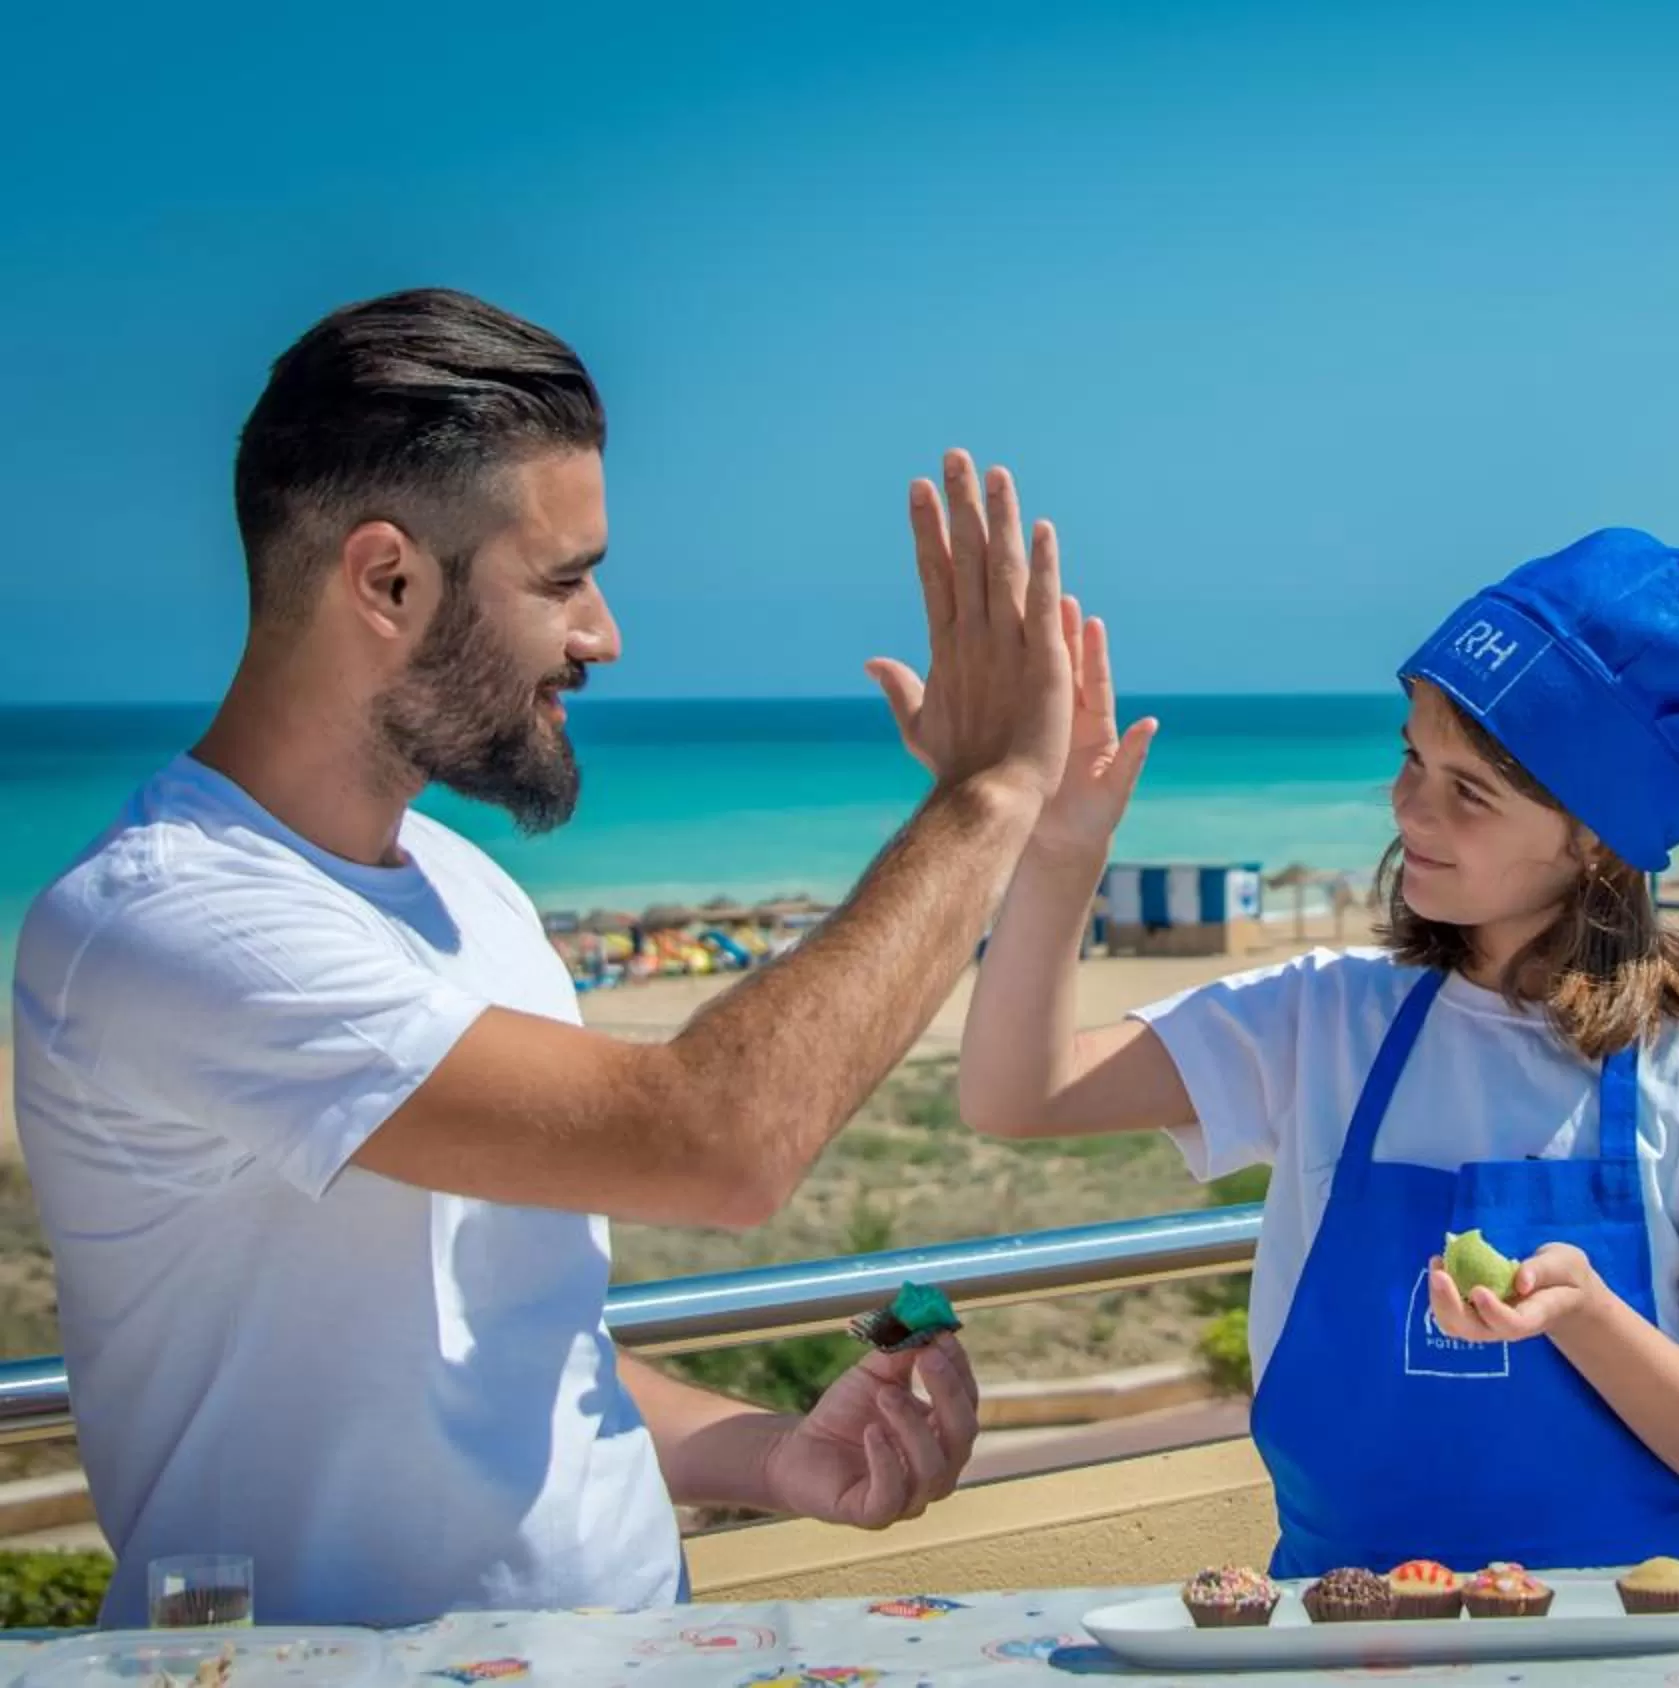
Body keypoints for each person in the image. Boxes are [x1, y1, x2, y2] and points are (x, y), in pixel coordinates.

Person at [10, 289, 1083, 1625]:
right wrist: (988, 797)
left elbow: (517, 1340)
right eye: (565, 580)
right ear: (386, 579)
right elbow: (717, 1142)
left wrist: (770, 1456)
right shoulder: (164, 924)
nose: (604, 635)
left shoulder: (471, 893)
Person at [954, 528, 1679, 1575]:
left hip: (1617, 1645)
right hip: (1330, 1636)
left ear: (1601, 835)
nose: (1409, 804)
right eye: (1411, 756)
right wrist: (1062, 848)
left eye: (1469, 790)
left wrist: (1589, 1318)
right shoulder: (1323, 1017)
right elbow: (1018, 1092)